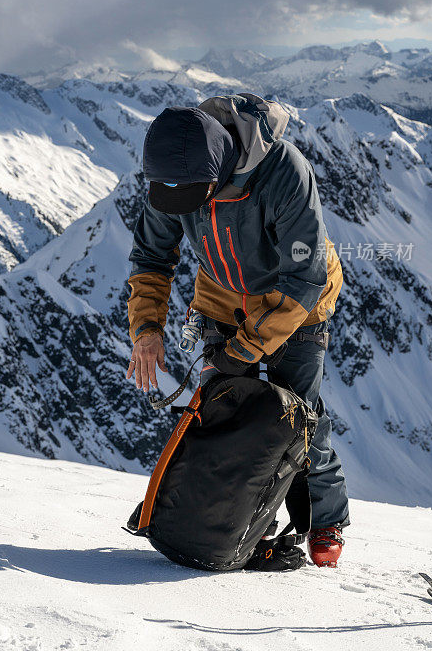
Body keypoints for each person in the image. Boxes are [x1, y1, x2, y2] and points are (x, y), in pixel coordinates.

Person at [125, 93, 349, 567]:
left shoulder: (284, 171)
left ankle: (325, 524)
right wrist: (147, 328)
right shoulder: (177, 175)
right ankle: (227, 524)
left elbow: (302, 279)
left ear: (219, 171)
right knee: (220, 419)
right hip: (223, 302)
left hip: (300, 306)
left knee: (303, 421)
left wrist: (245, 350)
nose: (182, 205)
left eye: (192, 195)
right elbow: (151, 257)